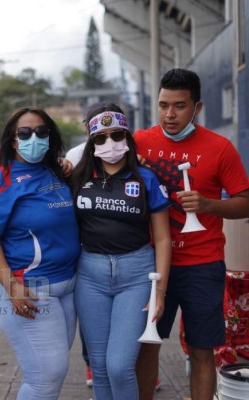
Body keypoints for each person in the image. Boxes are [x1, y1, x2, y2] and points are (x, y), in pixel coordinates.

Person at [134, 68, 249, 400]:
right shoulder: (139, 141)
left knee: (201, 350)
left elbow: (245, 202)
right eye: (163, 105)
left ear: (197, 107)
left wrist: (209, 205)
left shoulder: (220, 147)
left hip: (203, 262)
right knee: (147, 345)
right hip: (152, 261)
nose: (170, 114)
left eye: (180, 106)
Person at [0, 107, 81, 399]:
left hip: (66, 288)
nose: (34, 137)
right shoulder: (2, 179)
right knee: (45, 378)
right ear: (12, 140)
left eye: (41, 131)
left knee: (52, 375)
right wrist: (12, 288)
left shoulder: (54, 172)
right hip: (28, 289)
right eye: (25, 132)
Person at [72, 103, 171, 400]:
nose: (109, 143)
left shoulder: (146, 178)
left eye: (116, 134)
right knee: (100, 367)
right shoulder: (77, 177)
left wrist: (160, 291)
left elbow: (164, 239)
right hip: (89, 275)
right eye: (100, 138)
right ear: (91, 142)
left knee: (119, 366)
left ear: (127, 135)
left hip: (136, 274)